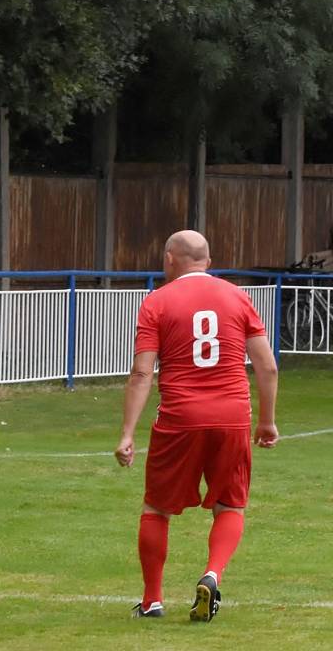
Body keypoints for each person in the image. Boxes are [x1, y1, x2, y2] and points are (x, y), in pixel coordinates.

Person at [114, 230, 279, 622]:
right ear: (208, 259)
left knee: (156, 507)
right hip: (232, 416)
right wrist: (268, 421)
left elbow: (142, 372)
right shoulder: (238, 297)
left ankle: (152, 600)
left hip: (180, 418)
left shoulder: (156, 302)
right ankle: (212, 573)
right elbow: (267, 365)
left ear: (171, 258)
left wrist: (126, 434)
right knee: (230, 504)